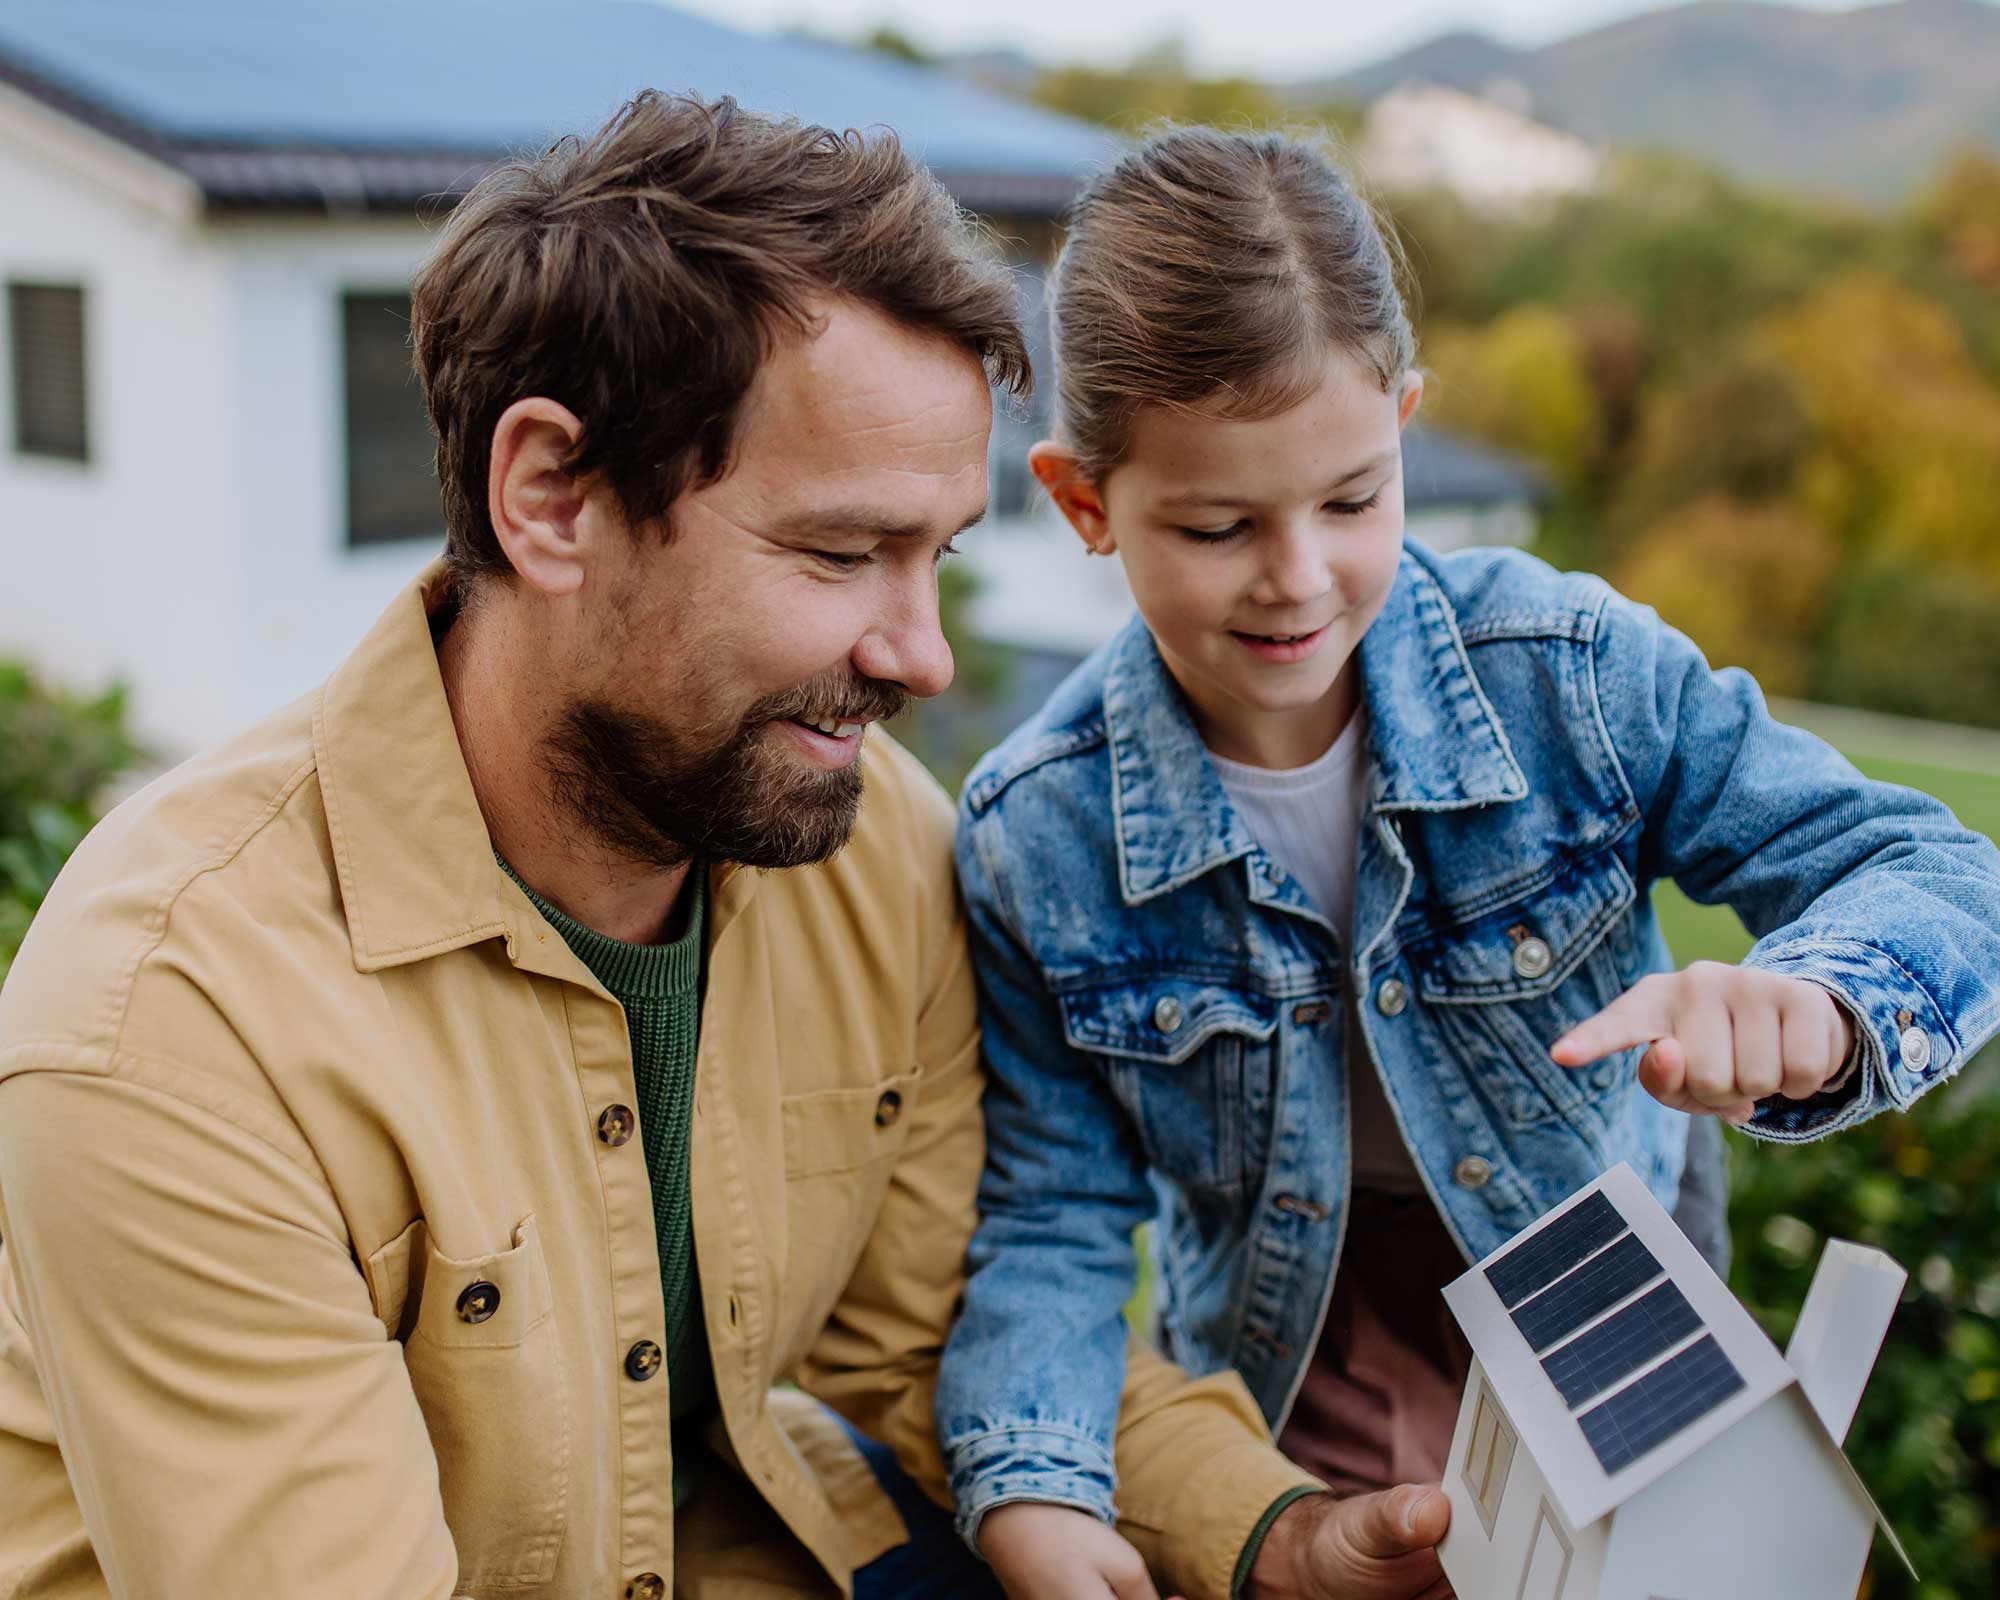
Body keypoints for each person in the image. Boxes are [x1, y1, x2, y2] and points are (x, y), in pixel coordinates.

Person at [0, 95, 1407, 1600]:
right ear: (552, 499)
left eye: (935, 556)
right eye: (840, 554)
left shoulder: (864, 851)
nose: (924, 658)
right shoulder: (171, 1028)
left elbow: (939, 1323)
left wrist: (1274, 1538)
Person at [939, 125, 2000, 1600]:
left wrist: (1816, 1007)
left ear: (1408, 424)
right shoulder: (1031, 834)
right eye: (1219, 524)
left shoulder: (1570, 674)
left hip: (1619, 1354)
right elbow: (1051, 1215)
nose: (1298, 577)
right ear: (1083, 502)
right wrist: (1039, 1490)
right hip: (1285, 1387)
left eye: (1354, 500)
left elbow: (1941, 875)